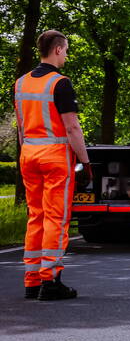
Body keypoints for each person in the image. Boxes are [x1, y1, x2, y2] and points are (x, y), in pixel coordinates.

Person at [13, 30, 89, 301]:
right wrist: (85, 161)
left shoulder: (21, 83)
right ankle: (51, 279)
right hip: (55, 156)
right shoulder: (60, 83)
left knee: (36, 216)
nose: (67, 55)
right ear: (57, 50)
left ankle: (31, 280)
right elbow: (72, 128)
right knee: (56, 217)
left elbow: (21, 127)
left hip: (29, 154)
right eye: (66, 50)